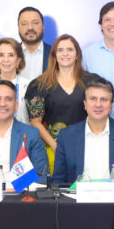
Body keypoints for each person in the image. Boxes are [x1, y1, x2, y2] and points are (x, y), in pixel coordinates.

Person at [53, 77, 114, 184]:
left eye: (104, 100)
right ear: (85, 104)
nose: (98, 104)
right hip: (78, 194)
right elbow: (58, 180)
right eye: (93, 99)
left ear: (111, 105)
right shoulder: (67, 136)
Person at [25, 34, 91, 172]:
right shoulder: (39, 85)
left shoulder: (92, 82)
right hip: (51, 150)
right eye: (60, 50)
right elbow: (35, 122)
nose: (65, 53)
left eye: (70, 49)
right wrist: (56, 147)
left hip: (86, 147)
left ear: (77, 55)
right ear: (54, 55)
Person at [0, 7, 52, 81]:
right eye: (24, 24)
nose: (30, 28)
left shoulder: (55, 54)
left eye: (35, 23)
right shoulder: (4, 55)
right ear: (18, 27)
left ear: (43, 26)